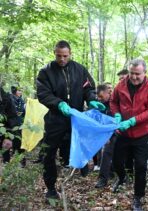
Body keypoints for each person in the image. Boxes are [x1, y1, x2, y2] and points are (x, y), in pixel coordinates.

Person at [36, 40, 105, 199]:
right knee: (49, 152)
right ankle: (51, 188)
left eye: (65, 56)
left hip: (76, 117)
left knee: (80, 142)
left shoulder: (80, 69)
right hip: (56, 118)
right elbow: (43, 94)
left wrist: (92, 99)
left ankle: (81, 164)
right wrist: (59, 104)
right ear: (54, 53)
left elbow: (88, 88)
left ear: (70, 54)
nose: (62, 59)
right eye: (58, 56)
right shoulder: (45, 72)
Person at [110, 59, 148, 211]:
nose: (134, 76)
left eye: (137, 74)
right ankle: (122, 177)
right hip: (123, 132)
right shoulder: (121, 85)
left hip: (142, 134)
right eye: (131, 73)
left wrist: (133, 121)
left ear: (144, 72)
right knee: (117, 162)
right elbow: (113, 101)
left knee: (140, 166)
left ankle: (138, 197)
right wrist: (117, 115)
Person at [95, 84, 116, 188]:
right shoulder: (100, 104)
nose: (99, 99)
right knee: (106, 153)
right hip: (108, 133)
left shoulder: (116, 101)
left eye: (101, 97)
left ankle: (120, 175)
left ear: (108, 93)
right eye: (98, 97)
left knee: (121, 155)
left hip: (120, 131)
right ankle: (102, 179)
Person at [0, 86, 21, 163]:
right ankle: (6, 162)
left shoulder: (6, 97)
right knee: (4, 144)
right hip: (3, 124)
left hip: (11, 123)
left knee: (17, 142)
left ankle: (21, 161)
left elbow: (11, 115)